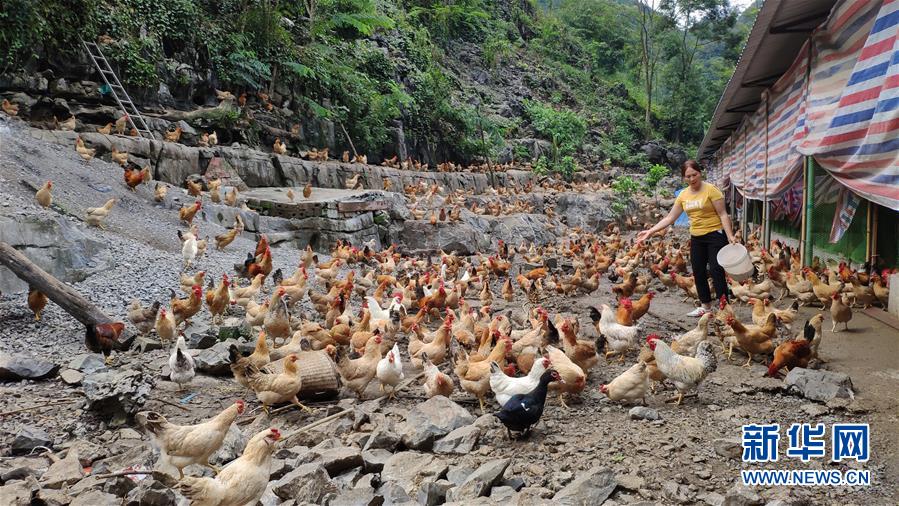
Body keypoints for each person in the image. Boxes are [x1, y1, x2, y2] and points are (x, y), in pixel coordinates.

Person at [635, 160, 736, 316]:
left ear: (700, 173)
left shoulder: (711, 190)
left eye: (694, 175)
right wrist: (651, 231)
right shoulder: (683, 195)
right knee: (698, 270)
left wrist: (730, 236)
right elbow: (670, 218)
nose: (692, 179)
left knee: (716, 270)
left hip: (715, 234)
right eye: (688, 176)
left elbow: (723, 214)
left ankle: (724, 308)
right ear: (683, 178)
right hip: (696, 237)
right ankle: (706, 306)